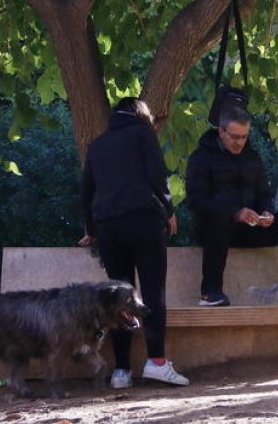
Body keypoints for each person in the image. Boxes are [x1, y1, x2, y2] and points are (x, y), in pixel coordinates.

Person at [79, 97, 189, 388]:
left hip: (108, 227)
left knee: (119, 298)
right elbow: (157, 176)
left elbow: (87, 191)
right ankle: (156, 362)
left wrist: (92, 229)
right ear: (141, 114)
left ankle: (122, 372)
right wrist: (168, 211)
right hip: (142, 218)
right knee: (153, 291)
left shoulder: (97, 145)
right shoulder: (143, 134)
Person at [185, 105, 278, 307]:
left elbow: (263, 195)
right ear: (221, 131)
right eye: (234, 136)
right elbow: (196, 201)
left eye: (244, 136)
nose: (239, 142)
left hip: (250, 227)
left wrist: (267, 213)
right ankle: (210, 292)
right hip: (215, 228)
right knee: (219, 220)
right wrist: (235, 213)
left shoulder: (252, 158)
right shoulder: (201, 158)